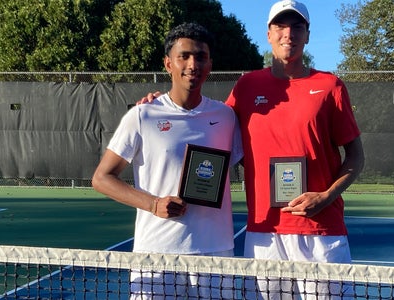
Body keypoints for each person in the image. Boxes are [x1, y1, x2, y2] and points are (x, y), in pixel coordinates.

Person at [138, 1, 364, 298]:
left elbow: (356, 156)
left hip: (322, 232)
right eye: (281, 26)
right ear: (269, 34)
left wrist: (325, 197)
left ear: (307, 35)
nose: (289, 34)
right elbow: (208, 122)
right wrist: (163, 103)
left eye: (297, 27)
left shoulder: (329, 85)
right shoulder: (247, 86)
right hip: (263, 235)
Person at [92, 22, 243, 299]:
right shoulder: (143, 115)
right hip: (157, 255)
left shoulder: (226, 117)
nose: (192, 64)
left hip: (217, 252)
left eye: (200, 56)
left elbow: (251, 166)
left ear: (210, 64)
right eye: (183, 56)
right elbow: (102, 178)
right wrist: (153, 204)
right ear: (167, 63)